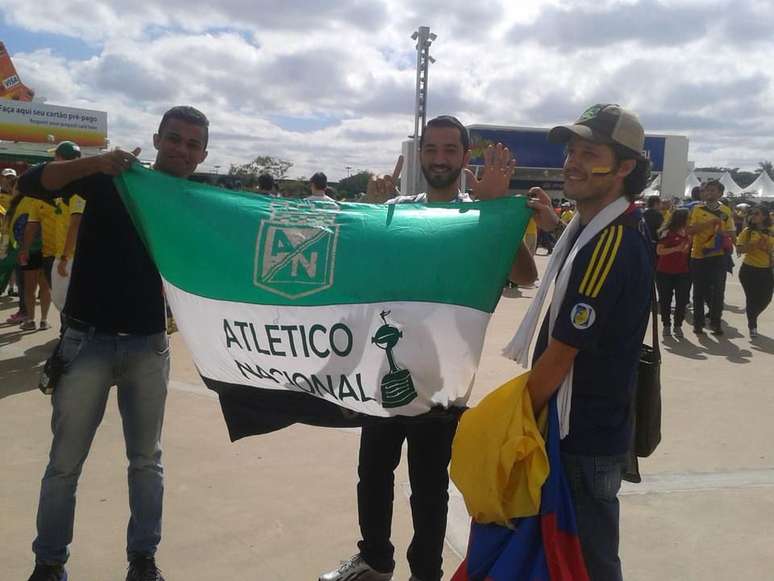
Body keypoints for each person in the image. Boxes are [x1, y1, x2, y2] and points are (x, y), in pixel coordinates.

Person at [320, 115, 555, 581]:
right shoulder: (400, 210)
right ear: (420, 155)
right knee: (373, 474)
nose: (440, 158)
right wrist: (371, 216)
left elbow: (525, 277)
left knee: (429, 487)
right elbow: (363, 268)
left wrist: (493, 216)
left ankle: (425, 572)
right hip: (384, 373)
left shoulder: (478, 214)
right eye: (432, 149)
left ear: (465, 156)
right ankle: (374, 560)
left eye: (450, 149)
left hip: (445, 379)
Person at [19, 105, 210, 581]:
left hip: (148, 346)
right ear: (157, 138)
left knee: (147, 462)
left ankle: (142, 561)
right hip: (86, 343)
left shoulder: (196, 201)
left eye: (192, 144)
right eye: (174, 138)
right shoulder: (111, 179)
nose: (181, 150)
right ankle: (49, 564)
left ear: (203, 155)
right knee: (64, 464)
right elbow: (31, 183)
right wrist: (95, 161)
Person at [524, 104, 653, 581]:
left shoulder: (608, 244)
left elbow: (561, 355)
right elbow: (587, 263)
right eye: (571, 150)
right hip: (591, 428)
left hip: (580, 437)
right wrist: (554, 226)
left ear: (624, 167)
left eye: (589, 152)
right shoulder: (604, 228)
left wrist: (515, 416)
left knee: (588, 564)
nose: (571, 162)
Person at [686, 179, 735, 335]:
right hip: (699, 254)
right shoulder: (696, 209)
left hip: (718, 255)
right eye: (707, 190)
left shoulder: (726, 211)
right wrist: (710, 224)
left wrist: (723, 234)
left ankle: (715, 322)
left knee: (718, 291)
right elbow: (690, 230)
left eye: (713, 190)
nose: (709, 193)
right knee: (699, 291)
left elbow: (732, 233)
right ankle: (698, 323)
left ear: (720, 193)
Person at [736, 206, 773, 338]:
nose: (753, 216)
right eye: (752, 214)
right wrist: (754, 246)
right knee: (751, 299)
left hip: (767, 270)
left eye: (757, 214)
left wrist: (767, 249)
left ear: (764, 216)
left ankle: (752, 314)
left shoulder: (771, 230)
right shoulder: (748, 231)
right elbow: (739, 249)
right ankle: (752, 325)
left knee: (766, 298)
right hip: (749, 270)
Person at [656, 208, 691, 338]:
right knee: (665, 300)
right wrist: (676, 248)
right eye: (688, 218)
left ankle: (678, 325)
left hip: (682, 271)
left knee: (682, 300)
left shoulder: (687, 233)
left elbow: (685, 251)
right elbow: (659, 251)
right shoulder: (667, 232)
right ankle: (666, 325)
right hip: (664, 271)